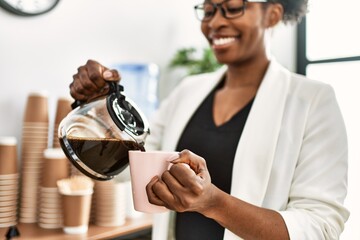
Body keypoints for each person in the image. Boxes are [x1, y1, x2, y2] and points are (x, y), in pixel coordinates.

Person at [69, 0, 350, 239]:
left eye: (231, 8)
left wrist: (215, 203)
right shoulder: (187, 92)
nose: (215, 23)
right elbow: (133, 162)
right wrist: (100, 103)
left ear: (272, 14)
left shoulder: (313, 100)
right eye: (208, 10)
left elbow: (320, 226)